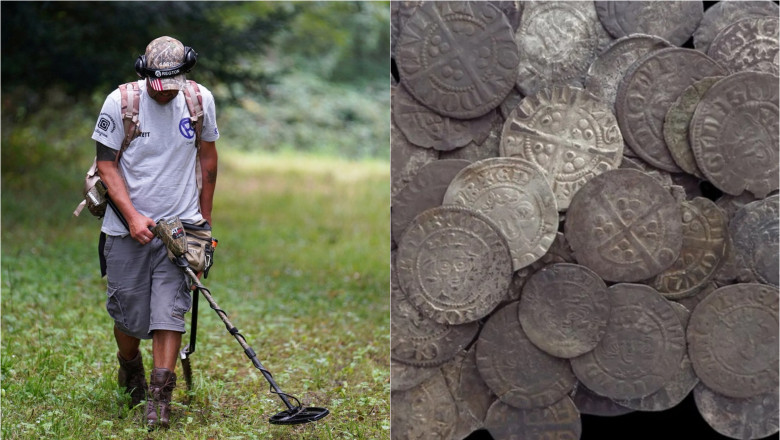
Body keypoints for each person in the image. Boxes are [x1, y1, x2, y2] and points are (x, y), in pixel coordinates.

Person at [92, 35, 219, 429]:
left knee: (170, 313)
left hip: (180, 227)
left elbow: (209, 159)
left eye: (171, 88)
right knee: (129, 318)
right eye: (157, 87)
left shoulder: (200, 101)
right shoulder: (121, 103)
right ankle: (130, 367)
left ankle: (159, 401)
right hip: (126, 229)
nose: (164, 96)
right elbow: (106, 164)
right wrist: (132, 216)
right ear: (143, 73)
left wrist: (203, 227)